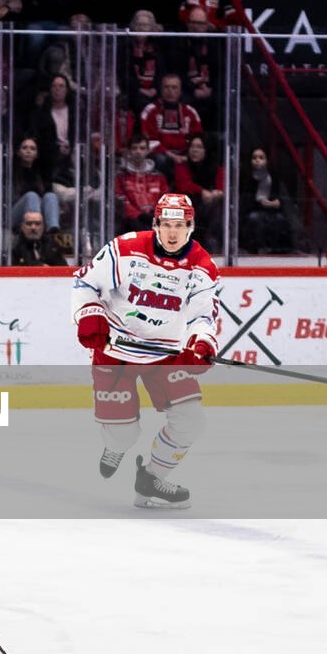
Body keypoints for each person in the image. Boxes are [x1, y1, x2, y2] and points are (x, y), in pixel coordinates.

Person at [73, 193, 220, 510]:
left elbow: (202, 316)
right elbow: (85, 284)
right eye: (166, 225)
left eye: (179, 226)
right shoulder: (124, 249)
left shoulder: (202, 267)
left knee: (191, 420)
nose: (172, 233)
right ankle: (116, 445)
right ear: (155, 224)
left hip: (165, 354)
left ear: (191, 227)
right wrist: (89, 314)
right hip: (116, 348)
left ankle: (151, 479)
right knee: (124, 434)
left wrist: (202, 342)